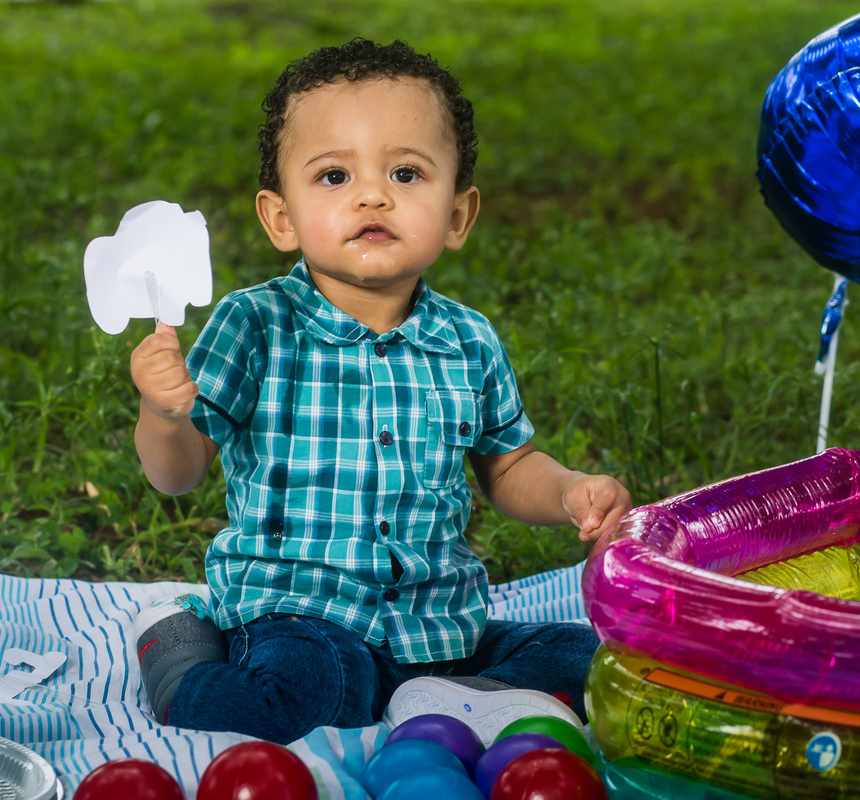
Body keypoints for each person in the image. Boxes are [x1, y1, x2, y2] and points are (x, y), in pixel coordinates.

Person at [128, 37, 632, 745]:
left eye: (405, 172)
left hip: (438, 624)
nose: (372, 194)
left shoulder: (467, 339)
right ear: (281, 217)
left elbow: (509, 466)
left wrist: (571, 491)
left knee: (592, 663)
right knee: (307, 693)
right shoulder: (256, 324)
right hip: (300, 614)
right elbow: (174, 474)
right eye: (334, 176)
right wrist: (163, 412)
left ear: (457, 216)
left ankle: (443, 698)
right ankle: (178, 648)